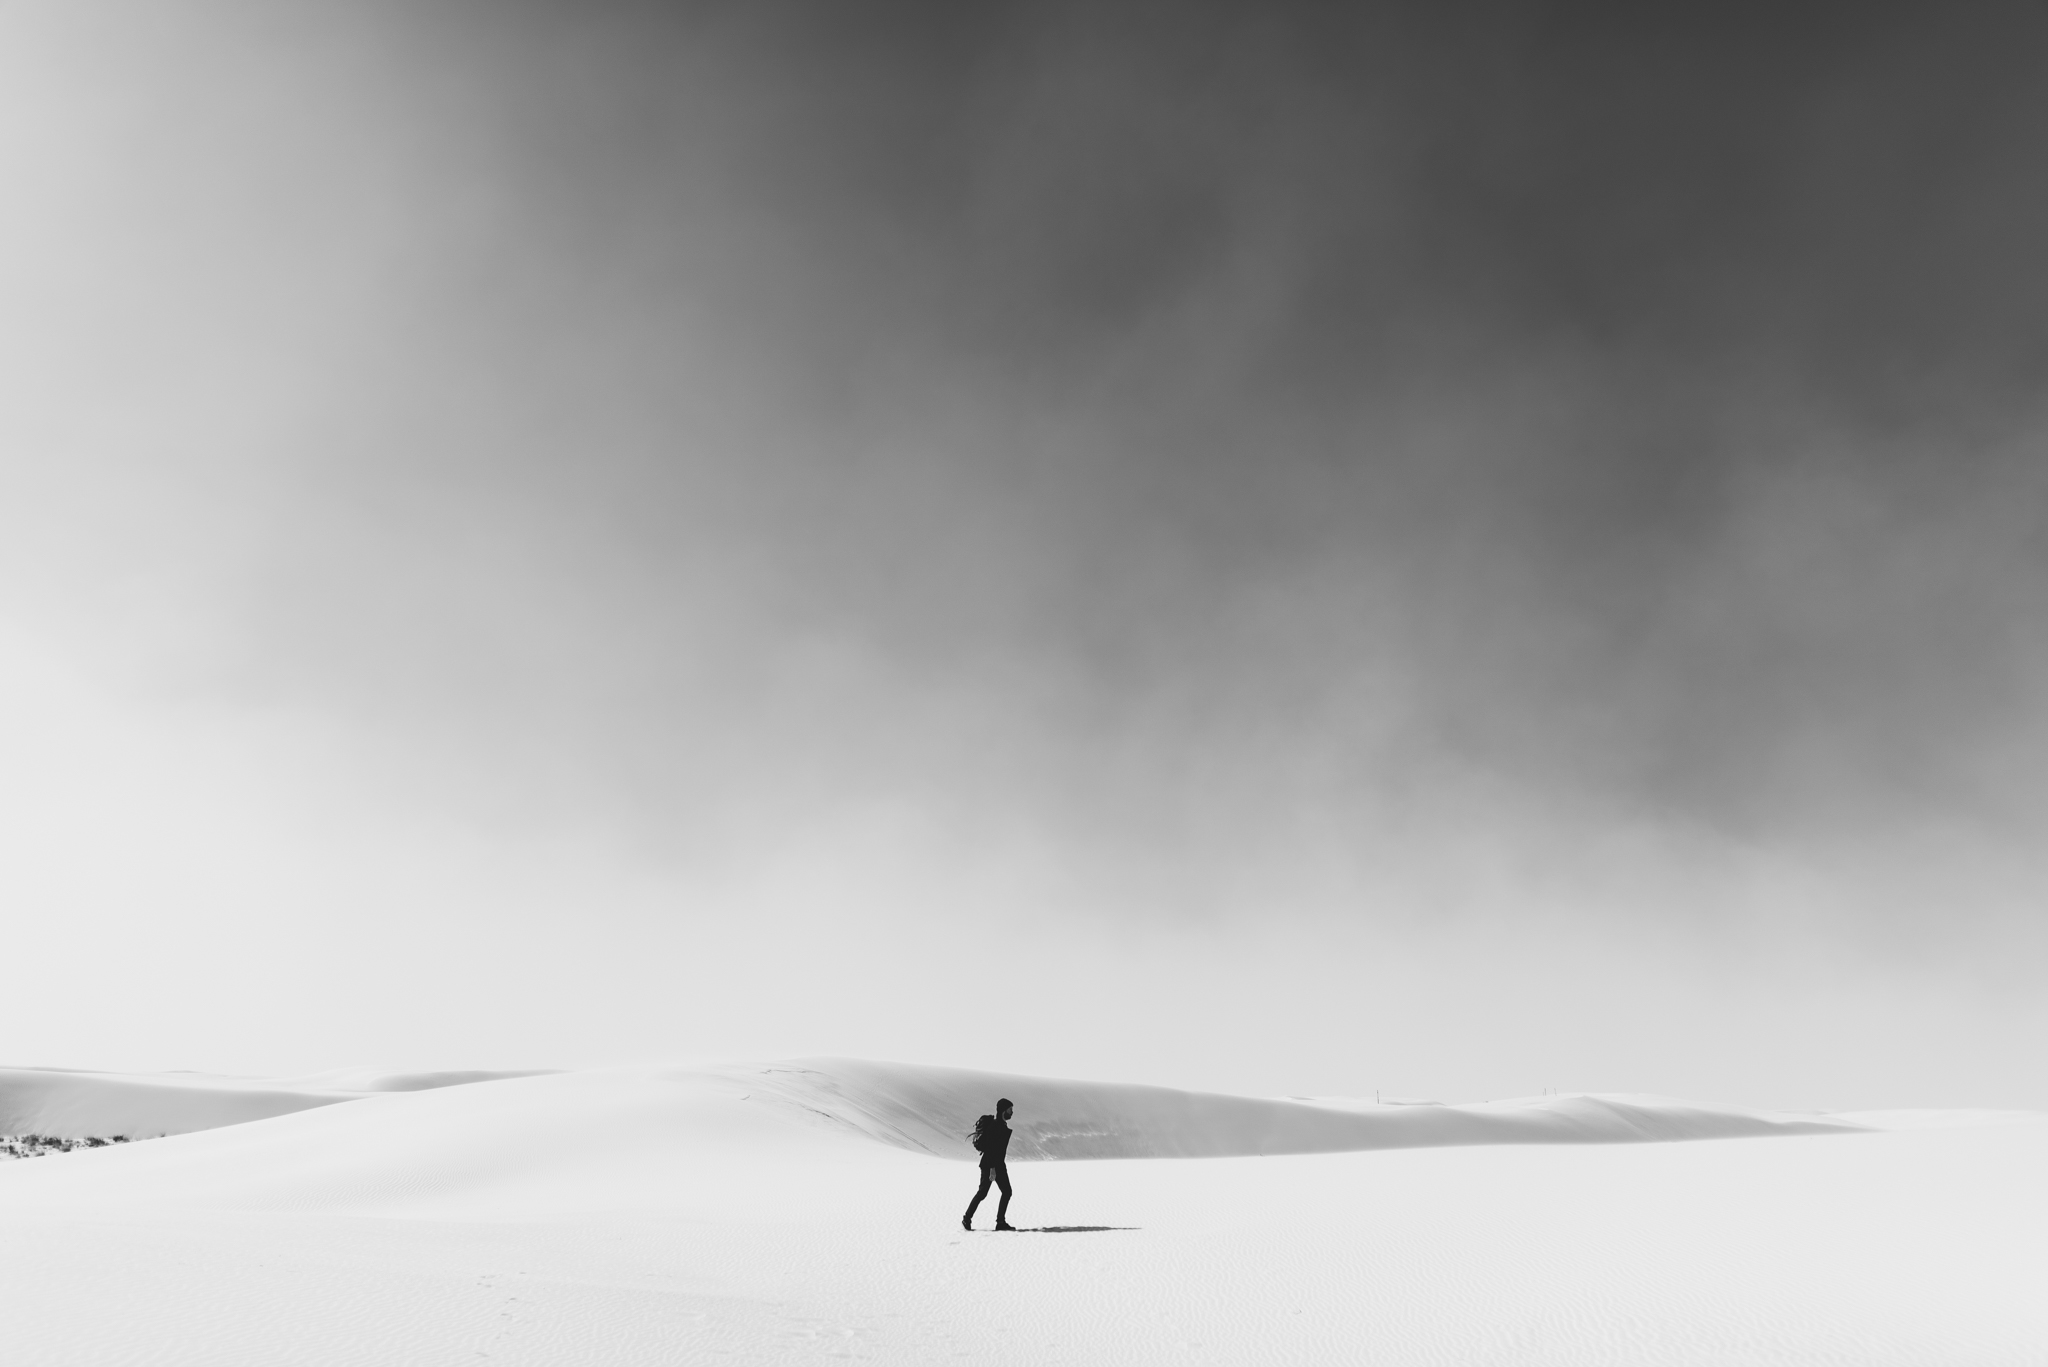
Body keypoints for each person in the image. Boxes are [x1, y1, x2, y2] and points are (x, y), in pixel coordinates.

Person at [962, 1097, 1015, 1230]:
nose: (1012, 1112)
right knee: (982, 1193)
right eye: (1010, 1110)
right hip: (989, 1165)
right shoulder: (995, 1127)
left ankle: (1000, 1222)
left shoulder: (1002, 1125)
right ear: (1003, 1111)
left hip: (999, 1165)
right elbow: (991, 1149)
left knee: (1007, 1192)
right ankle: (966, 1218)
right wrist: (992, 1169)